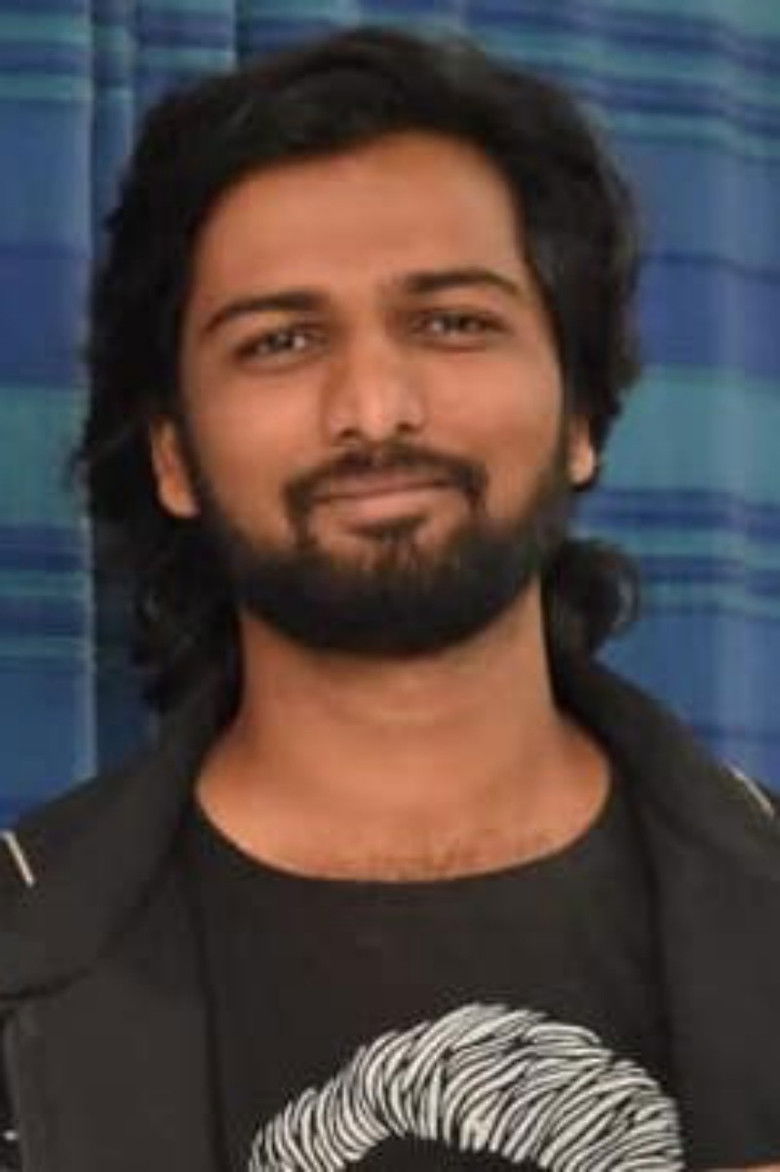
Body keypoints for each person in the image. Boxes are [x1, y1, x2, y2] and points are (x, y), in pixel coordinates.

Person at [1, 25, 778, 1172]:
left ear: (580, 413)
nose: (373, 408)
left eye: (453, 321)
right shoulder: (20, 947)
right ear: (171, 454)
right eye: (281, 340)